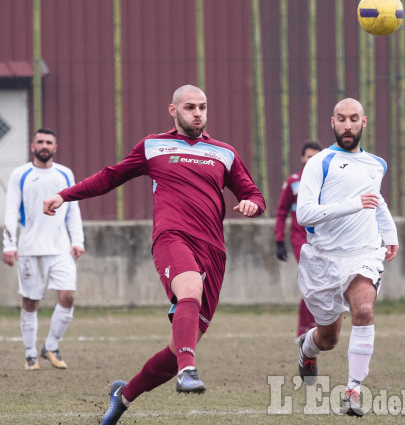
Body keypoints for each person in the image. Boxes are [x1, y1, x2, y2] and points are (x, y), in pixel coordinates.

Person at [42, 85, 265, 425]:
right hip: (171, 237)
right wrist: (64, 195)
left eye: (203, 107)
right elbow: (109, 177)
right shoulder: (153, 146)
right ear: (173, 111)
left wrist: (253, 204)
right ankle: (188, 370)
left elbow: (253, 192)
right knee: (189, 292)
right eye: (190, 107)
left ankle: (124, 395)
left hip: (214, 251)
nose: (198, 113)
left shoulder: (224, 152)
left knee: (176, 348)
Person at [295, 98, 399, 417]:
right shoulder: (320, 163)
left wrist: (390, 233)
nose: (348, 125)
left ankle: (352, 391)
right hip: (323, 259)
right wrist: (353, 203)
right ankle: (307, 349)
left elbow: (376, 200)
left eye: (354, 119)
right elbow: (304, 214)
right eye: (342, 119)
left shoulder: (376, 164)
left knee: (364, 310)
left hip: (364, 253)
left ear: (364, 122)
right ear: (333, 122)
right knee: (328, 339)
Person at [3, 128, 85, 371]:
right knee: (30, 302)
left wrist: (77, 240)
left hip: (61, 249)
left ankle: (50, 346)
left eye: (49, 142)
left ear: (55, 147)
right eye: (40, 141)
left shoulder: (65, 173)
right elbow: (10, 210)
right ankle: (30, 354)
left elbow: (73, 209)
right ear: (32, 146)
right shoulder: (21, 174)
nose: (44, 145)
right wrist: (9, 245)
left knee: (68, 296)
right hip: (30, 249)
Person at [274, 141, 322, 339]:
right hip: (300, 240)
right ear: (303, 158)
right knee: (310, 283)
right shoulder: (294, 182)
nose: (312, 160)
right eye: (309, 157)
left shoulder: (327, 182)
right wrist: (279, 240)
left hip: (322, 241)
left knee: (319, 285)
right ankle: (305, 330)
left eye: (316, 157)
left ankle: (315, 327)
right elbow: (281, 212)